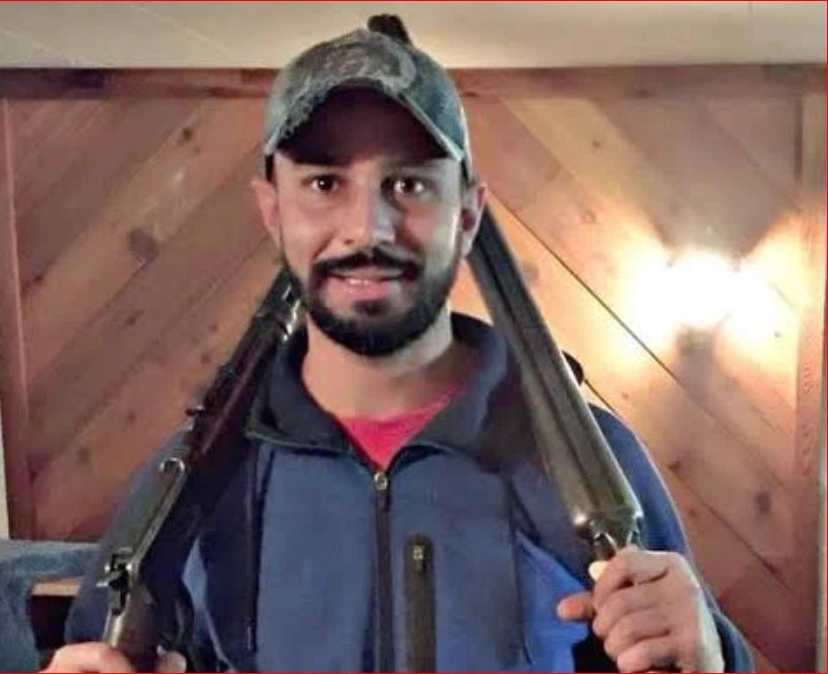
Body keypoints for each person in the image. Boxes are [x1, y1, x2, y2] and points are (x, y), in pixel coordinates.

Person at [45, 22, 753, 673]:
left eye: (408, 183)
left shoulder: (593, 464)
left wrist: (713, 657)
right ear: (273, 211)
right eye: (325, 183)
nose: (368, 227)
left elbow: (676, 648)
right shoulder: (192, 482)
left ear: (467, 214)